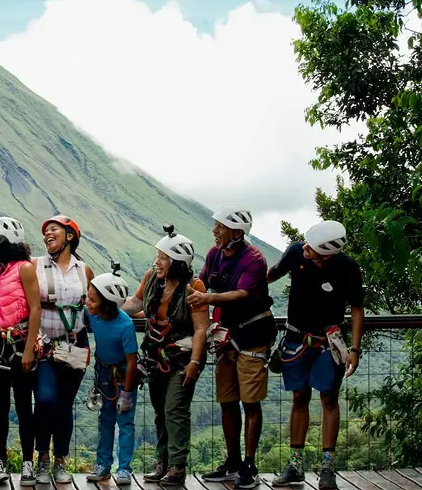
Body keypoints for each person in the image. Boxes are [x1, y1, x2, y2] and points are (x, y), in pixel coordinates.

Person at [267, 220, 364, 490]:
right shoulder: (296, 252)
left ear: (328, 253)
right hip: (296, 338)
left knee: (329, 399)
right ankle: (295, 465)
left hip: (326, 342)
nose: (306, 249)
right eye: (307, 245)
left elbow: (357, 308)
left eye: (313, 248)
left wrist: (354, 349)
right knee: (299, 397)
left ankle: (327, 467)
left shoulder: (347, 269)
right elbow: (271, 274)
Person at [188, 206, 276, 489]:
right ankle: (233, 461)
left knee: (250, 401)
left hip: (253, 334)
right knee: (227, 400)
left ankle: (249, 465)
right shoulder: (215, 254)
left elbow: (242, 294)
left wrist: (207, 299)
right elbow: (203, 281)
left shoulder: (255, 260)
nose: (214, 231)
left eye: (220, 227)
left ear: (236, 233)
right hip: (226, 335)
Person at [122, 227, 209, 486]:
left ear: (177, 263)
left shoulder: (194, 287)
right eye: (157, 256)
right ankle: (162, 462)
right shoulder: (152, 279)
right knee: (161, 411)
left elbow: (201, 328)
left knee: (175, 410)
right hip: (155, 358)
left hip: (182, 359)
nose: (156, 262)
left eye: (162, 258)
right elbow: (136, 304)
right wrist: (108, 302)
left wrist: (194, 363)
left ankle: (177, 466)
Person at [0, 217, 41, 486]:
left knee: (25, 407)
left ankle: (27, 463)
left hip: (19, 346)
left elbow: (35, 308)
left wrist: (29, 350)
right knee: (0, 408)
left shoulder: (25, 269)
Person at [32, 215, 95, 484]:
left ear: (70, 236)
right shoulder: (36, 266)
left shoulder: (84, 270)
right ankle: (42, 459)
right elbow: (27, 303)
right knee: (45, 400)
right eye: (45, 231)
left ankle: (60, 461)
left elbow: (94, 304)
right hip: (44, 345)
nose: (47, 234)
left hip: (75, 346)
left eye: (53, 229)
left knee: (64, 405)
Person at [85, 271, 138, 486]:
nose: (87, 302)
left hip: (124, 374)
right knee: (105, 419)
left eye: (92, 300)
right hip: (104, 372)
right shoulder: (93, 314)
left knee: (125, 421)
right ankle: (103, 465)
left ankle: (124, 468)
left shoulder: (125, 326)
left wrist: (126, 393)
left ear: (107, 304)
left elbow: (132, 361)